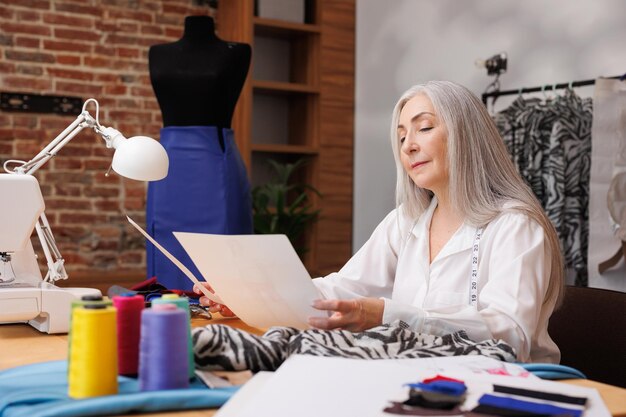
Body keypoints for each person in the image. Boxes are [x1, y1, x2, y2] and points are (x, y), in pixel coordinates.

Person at [194, 81, 564, 363]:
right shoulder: (407, 221)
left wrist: (387, 314)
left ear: (466, 135)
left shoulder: (516, 226)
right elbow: (344, 288)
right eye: (401, 135)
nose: (408, 145)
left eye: (424, 128)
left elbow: (510, 334)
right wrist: (248, 293)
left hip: (506, 390)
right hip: (419, 377)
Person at [147, 15, 253, 291]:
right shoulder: (158, 53)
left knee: (222, 251)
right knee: (167, 245)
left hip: (214, 163)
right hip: (168, 169)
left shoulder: (238, 52)